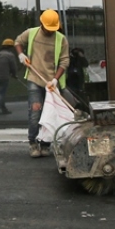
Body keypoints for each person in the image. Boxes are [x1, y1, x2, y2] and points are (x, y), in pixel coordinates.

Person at [14, 9, 69, 158]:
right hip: (35, 79)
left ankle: (45, 144)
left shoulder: (61, 39)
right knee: (35, 112)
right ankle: (33, 143)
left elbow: (64, 61)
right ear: (41, 23)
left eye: (53, 29)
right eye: (48, 28)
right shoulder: (32, 33)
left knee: (49, 114)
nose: (51, 31)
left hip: (51, 83)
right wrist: (21, 54)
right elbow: (18, 41)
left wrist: (55, 79)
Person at [0, 38, 18, 115]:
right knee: (2, 93)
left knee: (0, 93)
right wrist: (14, 74)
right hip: (3, 77)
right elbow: (13, 67)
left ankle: (3, 108)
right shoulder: (10, 55)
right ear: (10, 47)